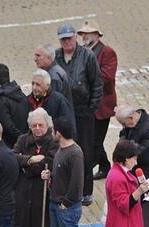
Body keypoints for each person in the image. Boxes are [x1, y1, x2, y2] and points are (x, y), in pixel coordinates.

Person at [55, 23, 103, 207]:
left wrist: (91, 108)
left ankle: (86, 190)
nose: (67, 41)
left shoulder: (87, 56)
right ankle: (67, 186)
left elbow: (96, 84)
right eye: (63, 39)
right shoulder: (56, 56)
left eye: (69, 37)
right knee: (64, 147)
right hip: (63, 110)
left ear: (75, 37)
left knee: (85, 150)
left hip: (83, 111)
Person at [40, 117, 86, 227]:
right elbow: (62, 176)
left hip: (66, 207)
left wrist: (65, 203)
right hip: (56, 203)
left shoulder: (75, 153)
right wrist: (49, 175)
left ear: (58, 133)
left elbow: (76, 184)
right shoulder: (62, 150)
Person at [12, 108, 59, 227]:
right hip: (25, 194)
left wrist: (27, 168)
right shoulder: (23, 140)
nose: (37, 128)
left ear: (48, 125)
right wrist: (29, 160)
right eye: (34, 125)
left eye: (41, 125)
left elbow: (49, 162)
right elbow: (14, 157)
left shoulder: (54, 142)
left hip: (43, 194)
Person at [77, 21, 118, 180]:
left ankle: (87, 169)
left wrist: (85, 77)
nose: (84, 36)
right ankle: (105, 165)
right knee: (91, 137)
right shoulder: (81, 51)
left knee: (95, 140)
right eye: (83, 34)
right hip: (86, 104)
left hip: (102, 105)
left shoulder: (107, 51)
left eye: (88, 33)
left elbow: (107, 76)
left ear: (97, 35)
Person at [0, 63, 28, 147]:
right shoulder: (21, 94)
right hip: (20, 145)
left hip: (6, 147)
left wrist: (22, 140)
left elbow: (7, 127)